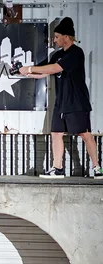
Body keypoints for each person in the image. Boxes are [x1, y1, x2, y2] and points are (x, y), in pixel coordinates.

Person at [19, 17, 103, 179]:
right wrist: (25, 72)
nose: (55, 40)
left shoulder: (76, 53)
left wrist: (29, 68)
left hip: (76, 101)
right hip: (61, 102)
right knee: (56, 133)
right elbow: (44, 71)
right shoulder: (56, 54)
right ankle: (58, 168)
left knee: (85, 134)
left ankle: (97, 168)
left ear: (66, 37)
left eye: (57, 37)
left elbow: (56, 68)